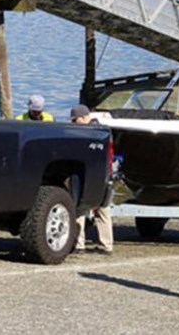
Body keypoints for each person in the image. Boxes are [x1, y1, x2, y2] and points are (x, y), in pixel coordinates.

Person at [70, 104, 113, 255]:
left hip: (90, 176)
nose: (73, 123)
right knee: (102, 210)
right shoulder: (104, 132)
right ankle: (106, 245)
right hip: (103, 175)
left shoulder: (86, 133)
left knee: (80, 208)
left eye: (74, 120)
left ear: (82, 117)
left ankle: (78, 243)